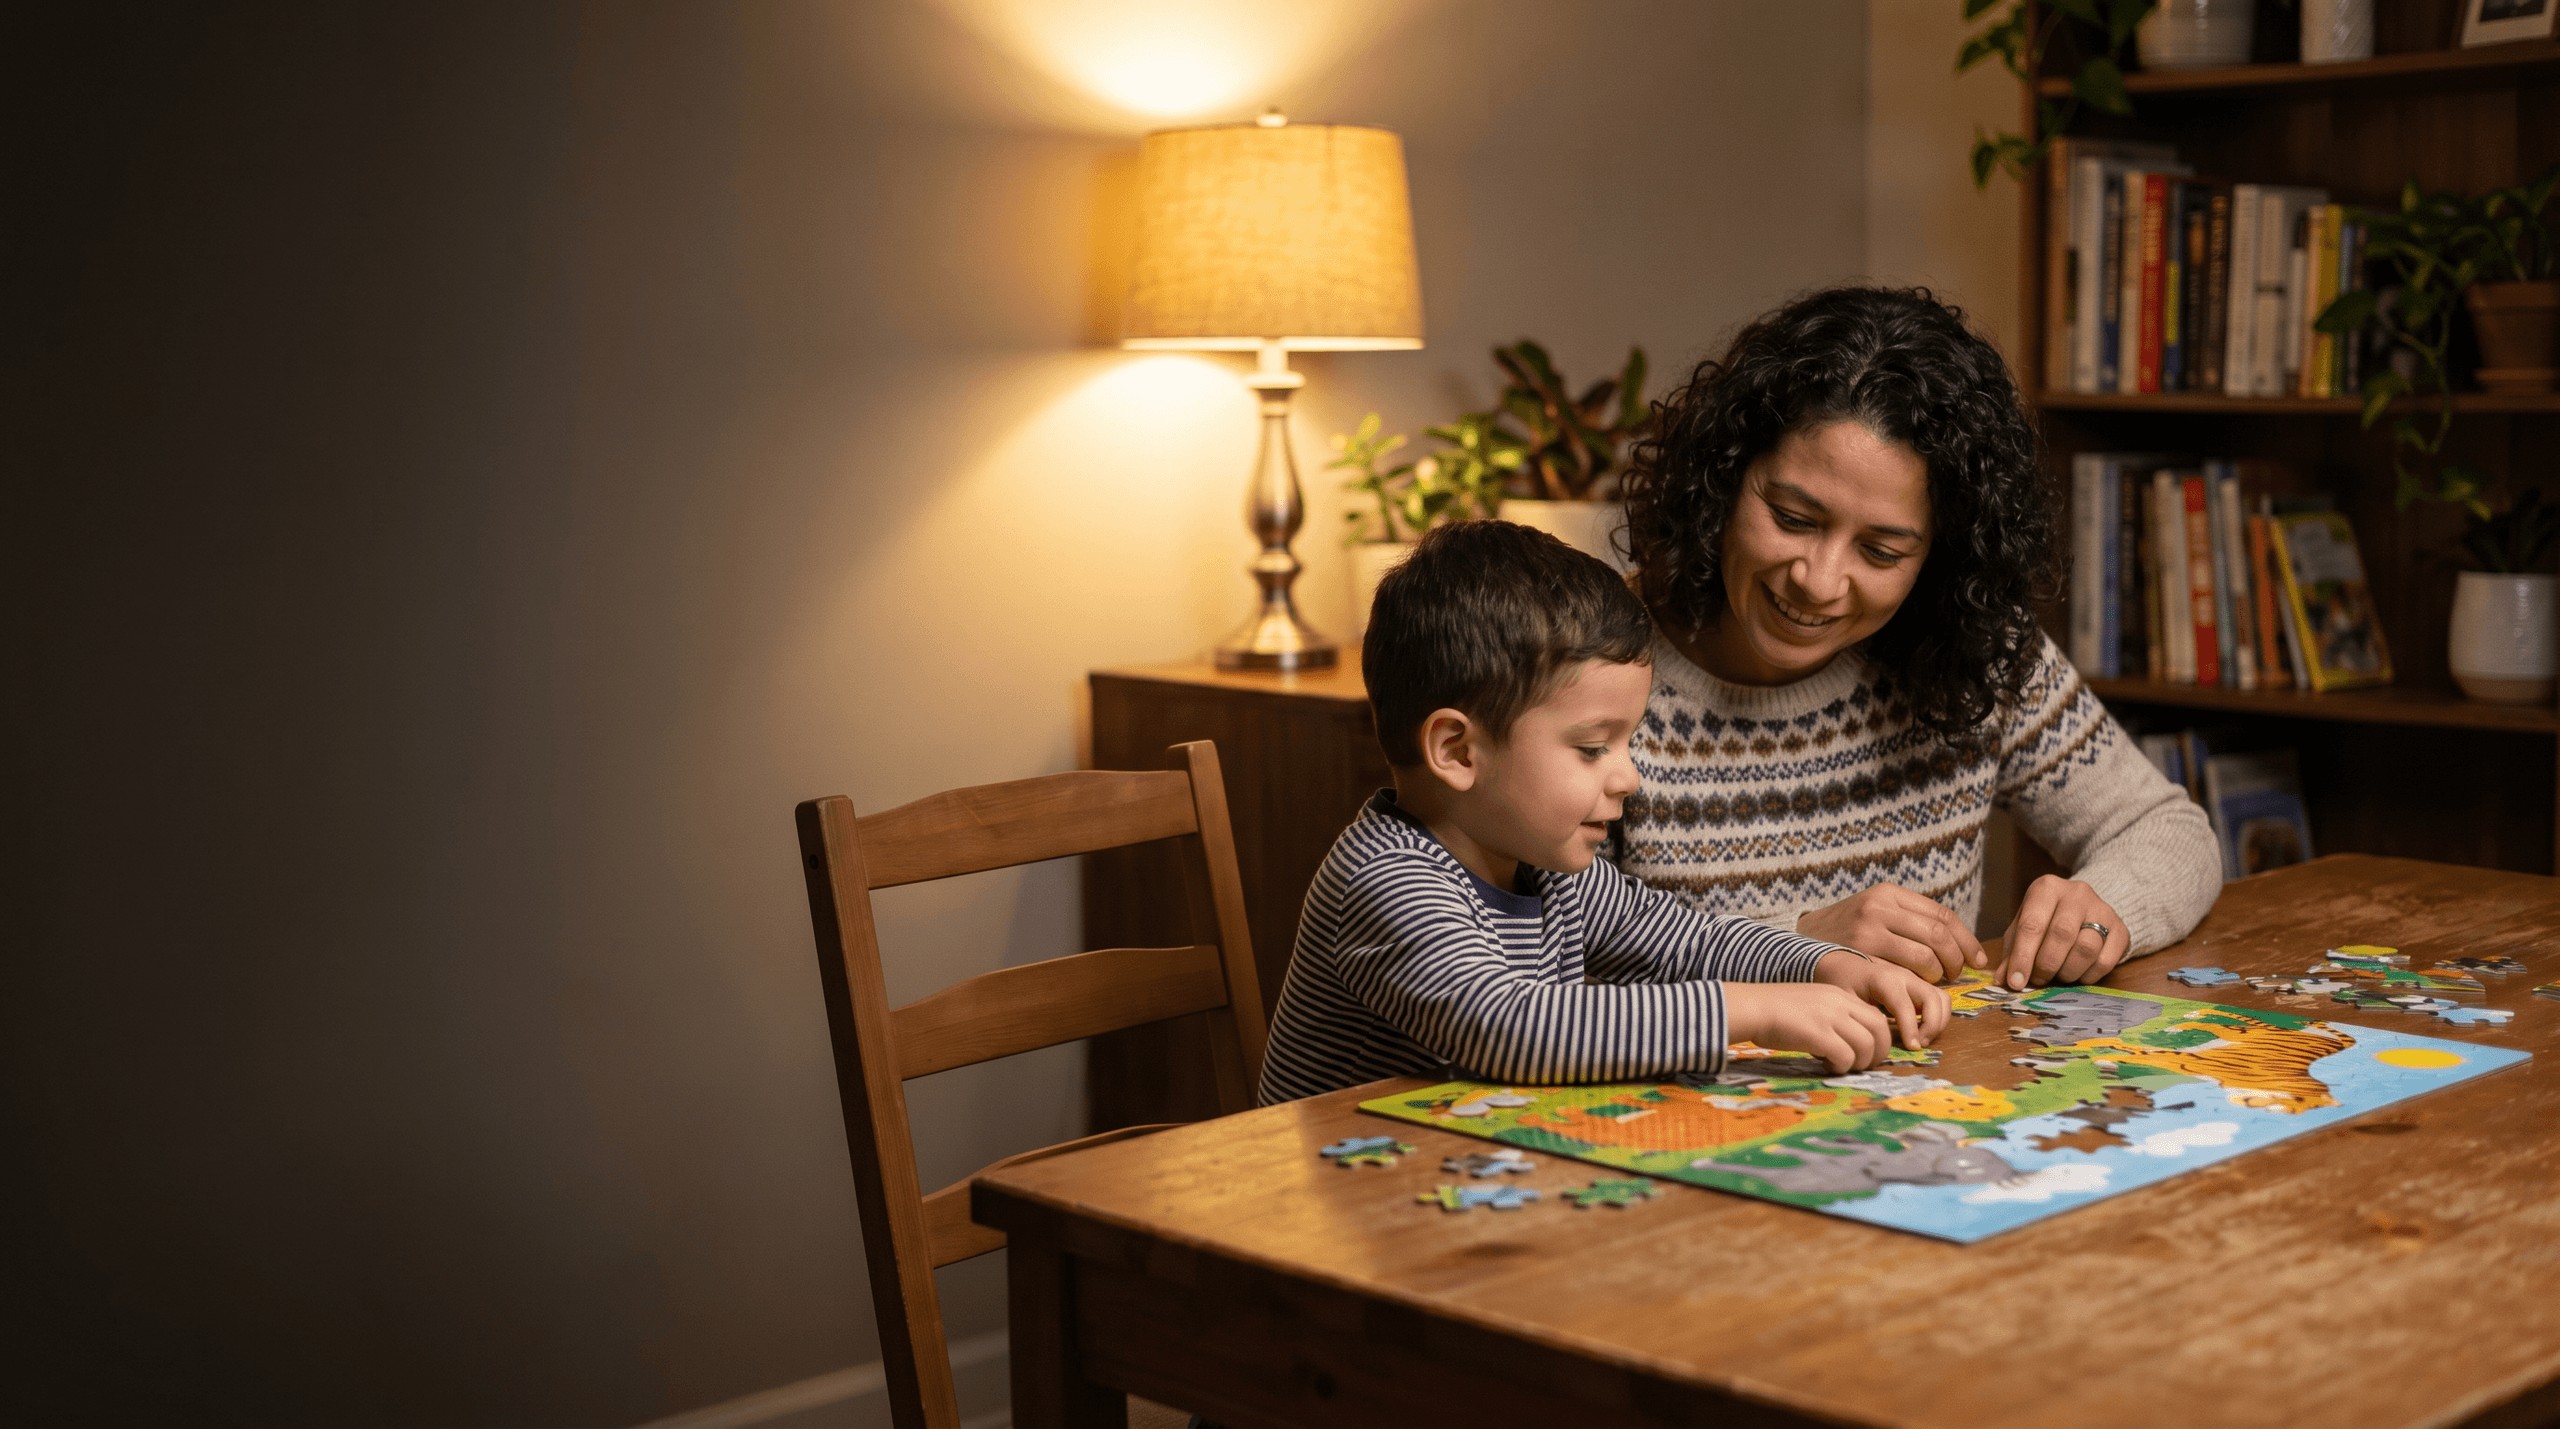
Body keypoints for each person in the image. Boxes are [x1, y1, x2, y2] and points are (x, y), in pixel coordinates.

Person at [1614, 285, 2220, 992]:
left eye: (1881, 552)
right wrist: (1799, 941)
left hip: (1934, 1097)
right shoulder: (1588, 664)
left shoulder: (1980, 652)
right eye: (1793, 517)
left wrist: (2101, 907)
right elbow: (1530, 965)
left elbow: (2167, 829)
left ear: (1939, 557)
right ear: (1724, 475)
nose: (1819, 579)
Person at [1256, 520, 1947, 1105]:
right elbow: (1512, 1025)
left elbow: (1689, 942)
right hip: (1324, 1230)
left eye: (1627, 741)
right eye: (1592, 747)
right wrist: (1757, 1009)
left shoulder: (1548, 867)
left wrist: (1825, 965)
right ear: (1456, 749)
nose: (1629, 775)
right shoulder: (1387, 880)